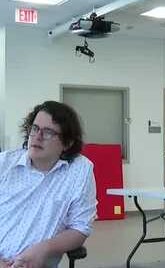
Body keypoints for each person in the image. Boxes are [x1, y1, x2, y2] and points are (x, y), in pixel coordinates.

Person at [0, 101, 97, 268]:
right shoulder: (4, 163)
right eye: (35, 128)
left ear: (67, 143)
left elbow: (81, 227)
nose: (37, 137)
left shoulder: (79, 170)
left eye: (48, 132)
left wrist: (45, 249)